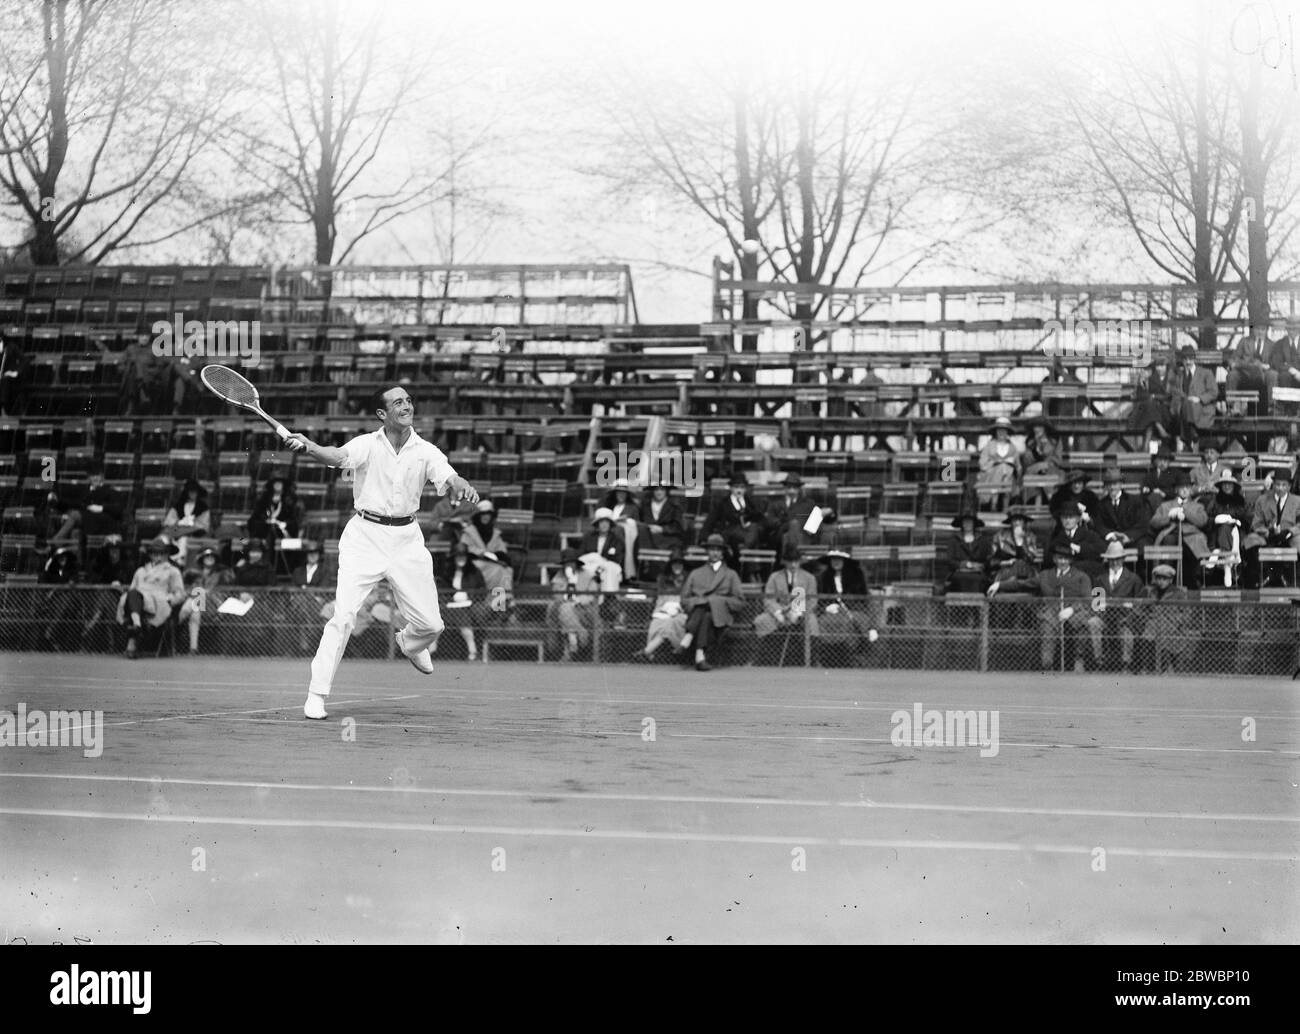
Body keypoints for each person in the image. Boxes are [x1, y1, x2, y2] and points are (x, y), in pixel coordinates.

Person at [284, 385, 480, 719]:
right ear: (382, 414)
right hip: (365, 537)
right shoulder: (366, 444)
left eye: (409, 400)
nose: (407, 406)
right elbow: (336, 457)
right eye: (398, 402)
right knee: (343, 617)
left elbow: (449, 476)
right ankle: (316, 694)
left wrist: (461, 484)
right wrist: (310, 446)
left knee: (433, 625)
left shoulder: (426, 450)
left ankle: (410, 642)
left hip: (407, 540)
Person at [678, 533, 746, 671]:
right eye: (712, 549)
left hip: (722, 615)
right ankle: (700, 656)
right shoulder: (696, 573)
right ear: (707, 551)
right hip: (699, 614)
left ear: (722, 553)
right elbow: (684, 600)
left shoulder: (731, 574)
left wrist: (717, 602)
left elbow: (739, 602)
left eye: (718, 550)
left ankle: (689, 636)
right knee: (706, 615)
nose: (715, 553)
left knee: (711, 606)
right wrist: (701, 602)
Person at [116, 535, 186, 659]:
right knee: (131, 595)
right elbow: (132, 589)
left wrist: (169, 600)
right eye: (155, 553)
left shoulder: (172, 571)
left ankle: (133, 636)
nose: (158, 556)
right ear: (150, 554)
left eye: (162, 553)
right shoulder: (140, 571)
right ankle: (137, 625)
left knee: (133, 598)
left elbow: (180, 594)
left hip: (158, 603)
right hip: (138, 601)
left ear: (167, 554)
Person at [1037, 544, 1103, 673]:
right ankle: (1047, 666)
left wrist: (1071, 609)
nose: (1062, 562)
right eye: (1059, 558)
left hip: (1075, 613)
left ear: (1070, 560)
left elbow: (1087, 601)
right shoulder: (1045, 575)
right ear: (1054, 559)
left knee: (1084, 625)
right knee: (1047, 625)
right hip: (1052, 613)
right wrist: (999, 584)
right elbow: (1024, 583)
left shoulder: (1081, 576)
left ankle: (1079, 661)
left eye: (1065, 559)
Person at [815, 546, 880, 660]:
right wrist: (826, 607)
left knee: (851, 623)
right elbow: (819, 600)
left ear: (845, 561)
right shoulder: (823, 577)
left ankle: (851, 654)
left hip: (855, 611)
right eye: (833, 559)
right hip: (831, 614)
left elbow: (865, 600)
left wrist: (873, 627)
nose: (836, 562)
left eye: (839, 559)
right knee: (824, 622)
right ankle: (829, 654)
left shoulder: (857, 575)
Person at [1150, 470, 1210, 588]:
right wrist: (1169, 516)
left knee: (1196, 544)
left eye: (1187, 487)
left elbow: (1202, 521)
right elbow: (1154, 522)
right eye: (1181, 487)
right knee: (1169, 541)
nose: (1184, 490)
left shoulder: (1198, 506)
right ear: (1176, 489)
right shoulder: (1166, 505)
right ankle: (1166, 581)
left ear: (1191, 489)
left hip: (1191, 537)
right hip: (1170, 536)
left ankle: (1193, 583)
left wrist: (1185, 512)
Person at [1242, 467, 1300, 588]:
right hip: (1268, 536)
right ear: (1273, 484)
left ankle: (1291, 578)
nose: (1280, 488)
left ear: (1289, 486)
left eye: (1284, 485)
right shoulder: (1262, 500)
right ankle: (1264, 576)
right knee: (1250, 540)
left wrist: (1289, 532)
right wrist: (1268, 532)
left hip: (1289, 536)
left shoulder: (1297, 501)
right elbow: (1256, 524)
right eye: (1277, 484)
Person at [756, 541, 820, 645]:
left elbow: (812, 600)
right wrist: (778, 612)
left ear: (800, 561)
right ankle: (768, 650)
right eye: (790, 561)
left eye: (796, 561)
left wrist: (799, 613)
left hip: (802, 612)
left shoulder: (809, 578)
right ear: (784, 562)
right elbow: (769, 599)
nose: (793, 565)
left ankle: (810, 653)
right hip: (780, 612)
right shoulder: (774, 577)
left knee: (811, 621)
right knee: (762, 620)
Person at [1096, 540, 1144, 673]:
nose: (1114, 562)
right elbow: (1096, 603)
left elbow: (1139, 604)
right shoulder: (1100, 579)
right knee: (1093, 622)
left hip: (1125, 618)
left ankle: (1125, 664)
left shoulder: (1134, 579)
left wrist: (1130, 612)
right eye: (1111, 559)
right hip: (1104, 617)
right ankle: (1099, 661)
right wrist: (1101, 609)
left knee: (1126, 633)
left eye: (1117, 559)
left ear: (1123, 559)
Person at [458, 500, 515, 611]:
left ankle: (502, 603)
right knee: (498, 570)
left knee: (507, 569)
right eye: (483, 514)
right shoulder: (469, 531)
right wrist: (482, 553)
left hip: (492, 563)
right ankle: (495, 605)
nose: (486, 517)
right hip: (474, 564)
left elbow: (502, 550)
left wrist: (498, 555)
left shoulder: (495, 533)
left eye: (488, 514)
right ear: (478, 516)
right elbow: (464, 548)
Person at [177, 546, 233, 655]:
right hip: (197, 604)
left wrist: (206, 593)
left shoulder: (222, 573)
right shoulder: (193, 573)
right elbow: (185, 588)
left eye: (212, 556)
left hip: (213, 606)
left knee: (198, 595)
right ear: (202, 558)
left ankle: (176, 622)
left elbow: (225, 591)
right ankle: (193, 649)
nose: (209, 558)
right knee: (195, 613)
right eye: (207, 556)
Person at [546, 548, 599, 661]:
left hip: (585, 610)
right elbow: (556, 595)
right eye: (566, 563)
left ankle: (572, 642)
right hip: (564, 610)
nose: (569, 565)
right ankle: (575, 636)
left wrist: (578, 600)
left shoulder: (588, 575)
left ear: (576, 563)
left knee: (566, 609)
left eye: (571, 563)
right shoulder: (560, 576)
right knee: (564, 608)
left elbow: (592, 595)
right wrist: (569, 582)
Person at [700, 473, 764, 565]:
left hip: (748, 534)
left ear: (745, 489)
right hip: (729, 535)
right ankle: (744, 560)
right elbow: (710, 520)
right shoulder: (722, 503)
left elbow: (760, 518)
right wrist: (704, 537)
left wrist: (750, 522)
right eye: (736, 487)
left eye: (742, 487)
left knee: (754, 531)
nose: (739, 490)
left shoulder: (750, 503)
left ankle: (747, 552)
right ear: (731, 488)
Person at [639, 548, 690, 661]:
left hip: (682, 612)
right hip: (663, 610)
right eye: (674, 564)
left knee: (671, 624)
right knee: (657, 624)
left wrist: (679, 607)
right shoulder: (663, 579)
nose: (677, 566)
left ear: (683, 565)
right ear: (670, 565)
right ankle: (650, 652)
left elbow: (690, 600)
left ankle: (648, 651)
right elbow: (660, 600)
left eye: (679, 564)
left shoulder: (689, 579)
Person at [441, 540, 488, 661]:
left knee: (461, 614)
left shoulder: (474, 572)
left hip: (469, 607)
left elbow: (482, 591)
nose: (461, 558)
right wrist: (452, 597)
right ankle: (431, 648)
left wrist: (468, 596)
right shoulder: (447, 572)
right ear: (454, 557)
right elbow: (442, 590)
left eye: (463, 556)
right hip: (448, 606)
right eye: (458, 556)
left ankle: (472, 650)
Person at [1140, 564, 1193, 673]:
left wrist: (1174, 620)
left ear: (1170, 580)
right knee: (1146, 638)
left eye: (1164, 579)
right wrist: (1147, 618)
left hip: (1174, 630)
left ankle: (1167, 669)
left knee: (1169, 641)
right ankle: (1149, 669)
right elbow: (1142, 610)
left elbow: (1187, 614)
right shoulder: (1151, 592)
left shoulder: (1179, 594)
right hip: (1154, 628)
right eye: (1158, 578)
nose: (1161, 581)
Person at [763, 475, 833, 554]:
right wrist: (786, 524)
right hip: (781, 537)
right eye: (789, 487)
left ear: (799, 489)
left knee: (798, 526)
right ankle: (794, 554)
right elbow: (770, 520)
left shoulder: (808, 504)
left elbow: (815, 524)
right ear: (785, 487)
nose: (791, 490)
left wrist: (824, 513)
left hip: (803, 537)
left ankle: (794, 554)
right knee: (793, 525)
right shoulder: (775, 503)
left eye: (794, 487)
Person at [986, 506, 1043, 597]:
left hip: (1026, 570)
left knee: (1022, 568)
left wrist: (1021, 541)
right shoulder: (1000, 536)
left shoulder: (1030, 536)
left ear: (1024, 522)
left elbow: (1031, 558)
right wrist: (1004, 562)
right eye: (1015, 520)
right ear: (1011, 522)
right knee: (1011, 573)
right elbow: (991, 560)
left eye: (1020, 520)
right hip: (1005, 570)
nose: (1017, 523)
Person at [1203, 470, 1248, 587]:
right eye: (1224, 484)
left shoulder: (1240, 501)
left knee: (1226, 527)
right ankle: (1228, 566)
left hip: (1236, 532)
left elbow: (1245, 517)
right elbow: (1207, 519)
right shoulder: (1215, 500)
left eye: (1229, 484)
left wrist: (1233, 520)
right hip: (1216, 533)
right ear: (1221, 486)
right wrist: (1216, 519)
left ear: (1234, 486)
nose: (1227, 486)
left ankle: (1218, 555)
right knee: (1223, 528)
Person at [1167, 345, 1218, 448]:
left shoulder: (1206, 373)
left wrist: (1199, 399)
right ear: (1182, 360)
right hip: (1184, 411)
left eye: (1190, 359)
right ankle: (1192, 435)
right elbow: (1171, 391)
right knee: (1185, 403)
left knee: (1187, 403)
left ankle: (1188, 440)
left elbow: (1214, 392)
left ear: (1194, 359)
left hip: (1202, 410)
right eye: (1185, 359)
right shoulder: (1179, 375)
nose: (1188, 362)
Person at [1046, 501, 1106, 583]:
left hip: (1087, 575)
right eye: (1064, 517)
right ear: (1060, 519)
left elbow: (1101, 549)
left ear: (1078, 518)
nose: (1067, 520)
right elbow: (1048, 557)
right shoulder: (1056, 537)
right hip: (1063, 576)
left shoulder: (1088, 534)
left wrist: (1080, 548)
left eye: (1071, 517)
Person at [1094, 467, 1151, 550]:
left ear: (1121, 484)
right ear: (1105, 486)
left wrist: (1128, 536)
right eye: (1109, 484)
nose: (1112, 487)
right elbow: (1099, 526)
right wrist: (1110, 535)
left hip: (1131, 539)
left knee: (1143, 545)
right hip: (1111, 539)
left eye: (1115, 484)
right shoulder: (1101, 504)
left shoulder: (1134, 501)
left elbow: (1142, 524)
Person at [162, 478, 212, 566]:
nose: (192, 494)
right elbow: (168, 521)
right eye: (190, 492)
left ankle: (180, 560)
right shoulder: (178, 506)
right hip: (177, 533)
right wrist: (179, 523)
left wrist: (190, 525)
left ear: (198, 493)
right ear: (187, 492)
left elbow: (203, 525)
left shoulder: (203, 507)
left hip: (195, 535)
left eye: (194, 492)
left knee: (184, 539)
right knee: (165, 537)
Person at [975, 416, 1021, 508]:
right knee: (1001, 469)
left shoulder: (1012, 447)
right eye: (999, 430)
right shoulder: (989, 446)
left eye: (1004, 430)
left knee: (1007, 472)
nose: (1001, 433)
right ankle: (994, 504)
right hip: (991, 476)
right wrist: (995, 462)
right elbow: (982, 463)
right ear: (996, 431)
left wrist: (1011, 465)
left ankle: (1003, 505)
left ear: (1007, 432)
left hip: (1009, 477)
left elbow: (1018, 466)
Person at [1127, 356, 1173, 444]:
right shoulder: (1145, 380)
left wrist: (1154, 396)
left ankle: (1146, 445)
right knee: (1148, 413)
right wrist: (1142, 384)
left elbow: (1168, 395)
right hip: (1147, 410)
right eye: (1158, 366)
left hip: (1162, 410)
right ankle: (1159, 429)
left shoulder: (1169, 378)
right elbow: (1139, 396)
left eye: (1162, 366)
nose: (1145, 372)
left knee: (1149, 414)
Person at [602, 477, 641, 579]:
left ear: (627, 494)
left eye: (623, 493)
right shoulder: (610, 506)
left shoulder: (632, 508)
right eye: (618, 493)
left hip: (625, 540)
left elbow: (636, 524)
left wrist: (625, 522)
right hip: (607, 536)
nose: (621, 495)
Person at [945, 511, 992, 594]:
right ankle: (960, 602)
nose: (967, 524)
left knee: (980, 579)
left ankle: (977, 601)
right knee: (960, 579)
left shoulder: (983, 540)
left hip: (979, 573)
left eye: (970, 521)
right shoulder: (953, 540)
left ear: (974, 523)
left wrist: (980, 566)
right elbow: (950, 561)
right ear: (961, 524)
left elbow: (988, 559)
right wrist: (967, 564)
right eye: (965, 522)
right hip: (958, 572)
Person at [637, 483, 685, 553]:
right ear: (653, 491)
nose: (659, 492)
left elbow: (677, 526)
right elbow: (639, 521)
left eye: (662, 489)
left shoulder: (674, 506)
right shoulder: (645, 505)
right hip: (647, 538)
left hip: (668, 539)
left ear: (666, 491)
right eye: (656, 490)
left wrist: (662, 529)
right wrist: (648, 527)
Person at [1140, 446, 1178, 513]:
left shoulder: (1174, 474)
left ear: (1169, 462)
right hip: (1152, 502)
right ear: (1155, 461)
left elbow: (1176, 490)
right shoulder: (1150, 474)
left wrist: (1163, 492)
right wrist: (1150, 490)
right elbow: (1144, 487)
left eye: (1165, 460)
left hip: (1168, 501)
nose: (1162, 463)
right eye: (1160, 460)